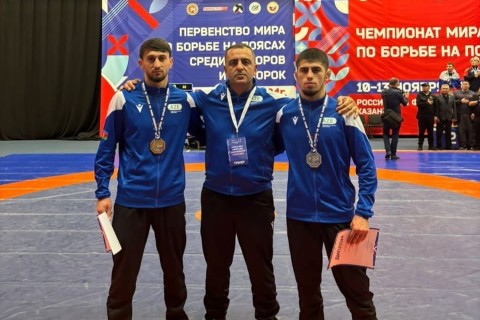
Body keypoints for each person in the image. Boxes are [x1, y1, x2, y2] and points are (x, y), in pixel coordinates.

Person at [122, 43, 358, 320]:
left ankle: (267, 315)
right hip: (216, 197)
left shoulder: (273, 104)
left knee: (261, 266)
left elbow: (295, 123)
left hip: (256, 198)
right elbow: (170, 103)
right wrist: (134, 87)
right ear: (225, 68)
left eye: (246, 61)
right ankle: (215, 315)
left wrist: (345, 101)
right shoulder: (207, 100)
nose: (239, 67)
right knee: (216, 266)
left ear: (256, 68)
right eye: (233, 62)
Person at [276, 48, 378, 320]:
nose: (310, 76)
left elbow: (367, 166)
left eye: (316, 70)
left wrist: (363, 213)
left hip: (343, 218)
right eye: (304, 70)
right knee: (307, 295)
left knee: (359, 294)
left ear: (328, 75)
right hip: (299, 219)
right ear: (296, 75)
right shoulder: (284, 115)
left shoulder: (345, 112)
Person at [94, 38, 192, 320]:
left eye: (162, 58)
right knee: (124, 267)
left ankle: (176, 314)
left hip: (171, 201)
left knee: (174, 268)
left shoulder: (185, 101)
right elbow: (106, 148)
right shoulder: (123, 98)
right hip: (131, 201)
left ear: (171, 62)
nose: (157, 64)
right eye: (151, 59)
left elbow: (216, 126)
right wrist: (102, 193)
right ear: (141, 64)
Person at [381, 77, 408, 159]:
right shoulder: (398, 93)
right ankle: (393, 154)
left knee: (385, 134)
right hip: (396, 117)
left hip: (386, 115)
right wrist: (406, 97)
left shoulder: (384, 92)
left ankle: (388, 150)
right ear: (396, 84)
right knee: (395, 135)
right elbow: (405, 104)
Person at [453, 81, 476, 149]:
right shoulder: (456, 93)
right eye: (463, 84)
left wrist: (473, 112)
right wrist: (460, 101)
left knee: (471, 130)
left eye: (466, 84)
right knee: (461, 130)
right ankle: (463, 145)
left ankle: (471, 145)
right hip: (460, 114)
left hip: (470, 114)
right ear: (461, 85)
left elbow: (476, 105)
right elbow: (452, 102)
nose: (465, 85)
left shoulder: (473, 93)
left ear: (469, 86)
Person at [434, 83, 456, 150]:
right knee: (439, 133)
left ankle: (449, 146)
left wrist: (454, 117)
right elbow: (436, 108)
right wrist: (436, 116)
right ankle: (439, 146)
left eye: (446, 88)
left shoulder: (452, 97)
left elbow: (454, 108)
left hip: (449, 117)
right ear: (441, 89)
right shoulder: (437, 97)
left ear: (448, 89)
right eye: (443, 88)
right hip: (440, 118)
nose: (445, 90)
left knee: (448, 133)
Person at [415, 83, 436, 150]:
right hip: (422, 116)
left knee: (430, 131)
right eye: (423, 87)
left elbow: (436, 106)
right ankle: (420, 145)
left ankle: (431, 145)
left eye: (425, 86)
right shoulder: (419, 95)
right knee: (421, 131)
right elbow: (418, 104)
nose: (424, 88)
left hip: (430, 116)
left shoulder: (433, 95)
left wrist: (435, 115)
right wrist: (427, 103)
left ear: (429, 87)